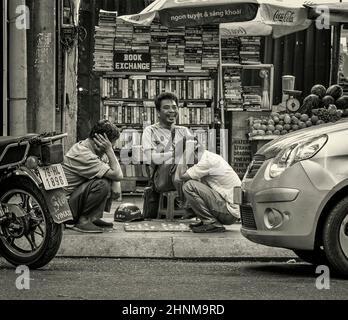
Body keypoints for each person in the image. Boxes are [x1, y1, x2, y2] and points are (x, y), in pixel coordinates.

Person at [63, 120, 123, 233]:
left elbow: (114, 170)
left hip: (73, 202)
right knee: (102, 183)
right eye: (111, 146)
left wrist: (116, 183)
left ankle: (92, 218)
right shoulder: (84, 154)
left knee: (106, 177)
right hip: (65, 210)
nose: (111, 149)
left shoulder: (92, 149)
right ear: (100, 141)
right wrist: (109, 150)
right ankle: (83, 221)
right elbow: (117, 174)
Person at [175, 137, 241, 233]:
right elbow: (178, 179)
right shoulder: (209, 157)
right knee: (191, 182)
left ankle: (211, 222)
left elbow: (179, 177)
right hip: (229, 210)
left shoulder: (206, 162)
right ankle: (207, 221)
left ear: (193, 151)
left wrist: (186, 153)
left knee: (189, 186)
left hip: (230, 212)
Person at [142, 92, 194, 214]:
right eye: (166, 107)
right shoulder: (150, 131)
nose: (172, 111)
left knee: (202, 159)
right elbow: (152, 159)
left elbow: (196, 155)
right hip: (161, 179)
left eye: (174, 107)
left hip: (184, 172)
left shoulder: (184, 130)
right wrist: (176, 153)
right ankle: (190, 204)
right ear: (158, 112)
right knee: (178, 160)